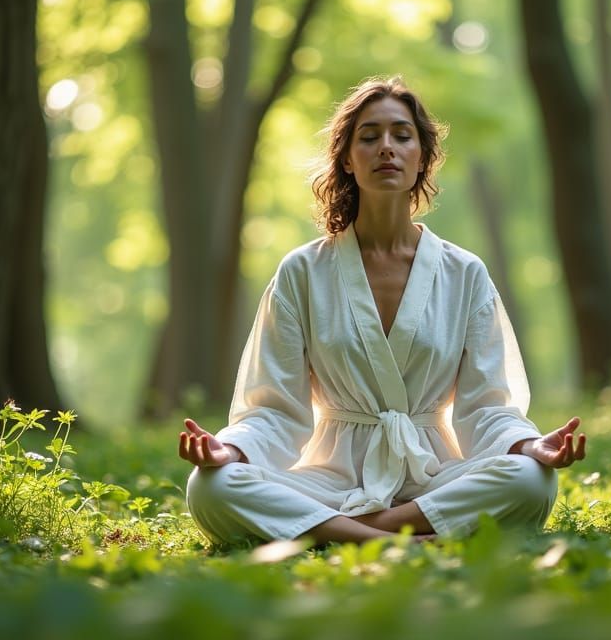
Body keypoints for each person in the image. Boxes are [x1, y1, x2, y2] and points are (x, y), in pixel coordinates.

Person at [179, 76, 587, 546]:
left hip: (432, 479)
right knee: (210, 487)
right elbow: (275, 410)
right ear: (348, 160)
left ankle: (344, 535)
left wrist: (531, 446)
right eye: (369, 137)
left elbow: (487, 408)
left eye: (402, 135)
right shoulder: (303, 271)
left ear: (422, 158)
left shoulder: (464, 273)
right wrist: (228, 450)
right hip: (329, 481)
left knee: (531, 479)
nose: (386, 148)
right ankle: (409, 538)